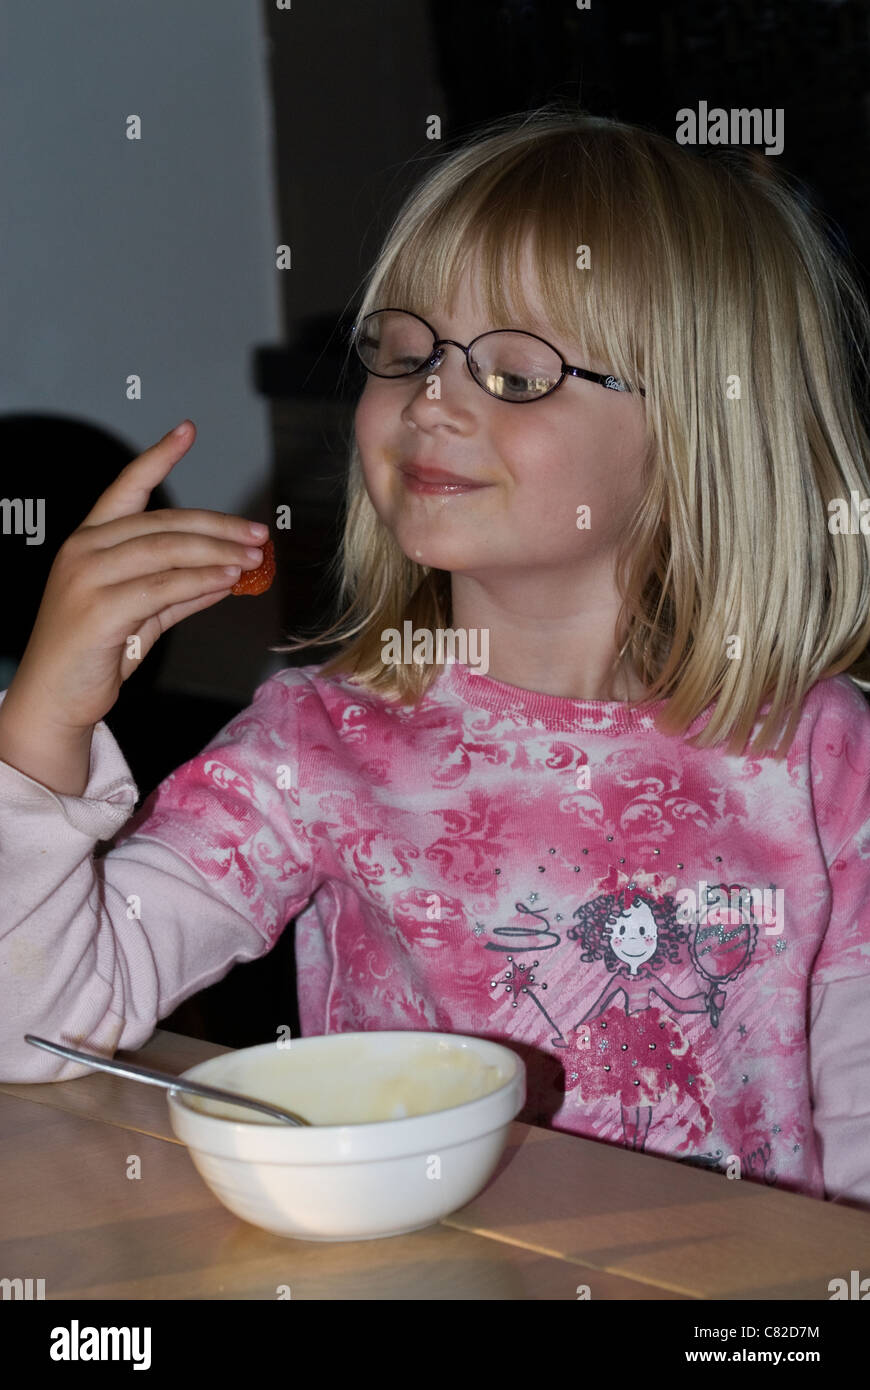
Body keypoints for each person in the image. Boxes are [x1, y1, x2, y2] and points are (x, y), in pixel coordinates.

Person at [2, 105, 869, 1209]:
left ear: (700, 434)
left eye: (514, 373)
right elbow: (39, 1025)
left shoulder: (823, 752)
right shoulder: (314, 744)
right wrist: (37, 735)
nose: (429, 398)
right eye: (405, 352)